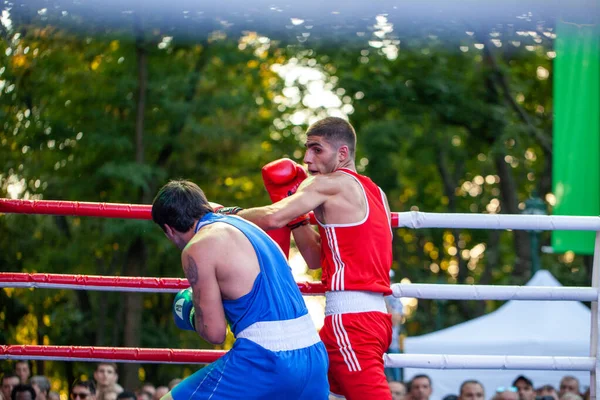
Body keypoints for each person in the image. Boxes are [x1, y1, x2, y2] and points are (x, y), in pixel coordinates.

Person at [237, 117, 394, 399]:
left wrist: (222, 216)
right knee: (304, 390)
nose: (307, 159)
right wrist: (298, 221)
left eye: (317, 149)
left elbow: (273, 217)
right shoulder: (377, 193)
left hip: (352, 324)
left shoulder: (327, 184)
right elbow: (314, 258)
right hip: (373, 320)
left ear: (342, 153)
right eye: (306, 149)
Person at [151, 180, 329, 399]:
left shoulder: (197, 248)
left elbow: (215, 333)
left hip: (265, 359)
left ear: (169, 230)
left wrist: (190, 313)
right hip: (315, 356)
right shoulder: (248, 226)